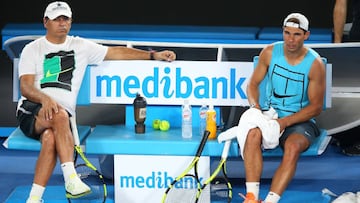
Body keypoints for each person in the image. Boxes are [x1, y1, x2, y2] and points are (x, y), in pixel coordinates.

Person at [17, 1, 176, 203]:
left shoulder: (80, 46)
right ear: (45, 22)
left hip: (59, 120)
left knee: (50, 138)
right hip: (32, 111)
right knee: (59, 115)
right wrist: (46, 99)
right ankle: (71, 179)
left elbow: (116, 52)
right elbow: (26, 87)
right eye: (57, 19)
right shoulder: (33, 49)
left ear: (71, 21)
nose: (62, 23)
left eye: (65, 18)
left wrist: (153, 56)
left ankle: (33, 199)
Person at [242, 13, 326, 203]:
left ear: (306, 35)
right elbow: (252, 85)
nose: (290, 39)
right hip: (271, 115)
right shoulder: (270, 52)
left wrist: (284, 122)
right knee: (252, 134)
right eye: (287, 33)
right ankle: (251, 197)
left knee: (293, 146)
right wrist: (256, 108)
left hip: (300, 121)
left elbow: (316, 107)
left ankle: (271, 201)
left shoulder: (315, 64)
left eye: (296, 34)